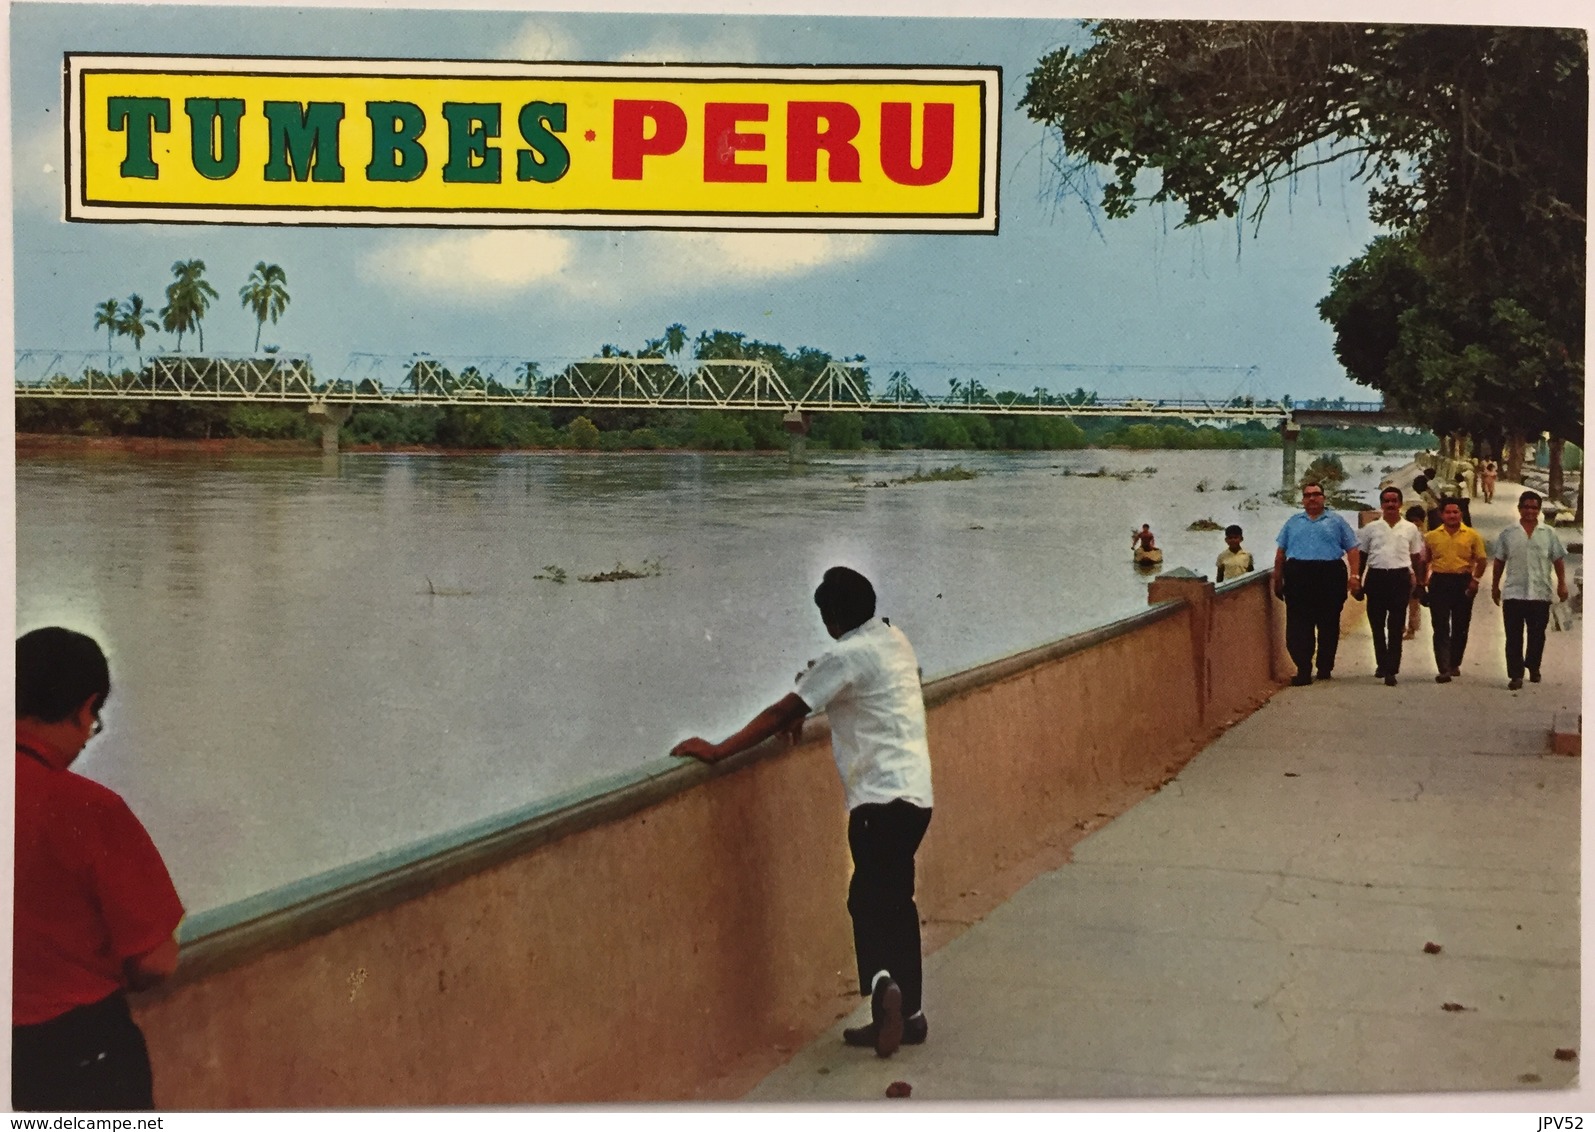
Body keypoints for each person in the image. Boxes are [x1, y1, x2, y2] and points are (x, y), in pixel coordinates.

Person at [671, 567, 933, 1059]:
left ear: (832, 617)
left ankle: (883, 994)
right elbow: (825, 683)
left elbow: (781, 711)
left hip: (876, 802)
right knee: (898, 902)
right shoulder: (892, 639)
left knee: (866, 903)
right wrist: (807, 699)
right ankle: (911, 1016)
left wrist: (718, 749)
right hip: (917, 799)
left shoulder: (844, 655)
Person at [14, 628, 185, 1111]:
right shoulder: (89, 809)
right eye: (94, 720)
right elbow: (156, 959)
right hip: (80, 1056)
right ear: (83, 708)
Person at [1273, 481, 1361, 686]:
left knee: (1328, 624)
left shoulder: (1337, 521)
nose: (1311, 498)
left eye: (1316, 494)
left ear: (1323, 498)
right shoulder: (1293, 522)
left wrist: (1354, 576)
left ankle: (1324, 666)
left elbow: (1353, 549)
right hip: (1298, 576)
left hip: (1329, 575)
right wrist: (1278, 579)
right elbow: (1280, 553)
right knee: (1298, 626)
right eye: (1307, 495)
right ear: (1303, 500)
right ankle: (1303, 668)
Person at [1491, 491, 1569, 689]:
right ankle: (1515, 675)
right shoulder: (1508, 533)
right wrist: (1495, 586)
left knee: (1537, 634)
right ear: (1519, 508)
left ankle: (1533, 666)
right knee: (1513, 636)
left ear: (1539, 510)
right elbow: (1499, 561)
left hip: (1540, 593)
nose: (1530, 511)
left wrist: (1562, 584)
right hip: (1514, 592)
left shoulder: (1549, 534)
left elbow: (1558, 560)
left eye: (1534, 508)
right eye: (1526, 507)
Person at [1356, 487, 1425, 686]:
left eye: (1394, 501)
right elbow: (1362, 556)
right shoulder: (1371, 528)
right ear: (1381, 504)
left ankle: (1392, 669)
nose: (1391, 504)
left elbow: (1416, 557)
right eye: (1386, 501)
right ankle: (1381, 663)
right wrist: (1357, 580)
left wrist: (1420, 583)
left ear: (1400, 504)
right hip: (1376, 578)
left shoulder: (1410, 529)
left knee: (1395, 626)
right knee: (1376, 625)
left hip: (1400, 578)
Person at [1423, 498, 1489, 683]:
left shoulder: (1472, 535)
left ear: (1461, 514)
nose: (1452, 515)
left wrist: (1475, 580)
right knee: (1440, 625)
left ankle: (1454, 663)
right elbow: (1425, 560)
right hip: (1439, 582)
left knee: (1460, 626)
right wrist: (1423, 581)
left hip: (1463, 582)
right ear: (1441, 514)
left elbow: (1482, 560)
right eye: (1448, 512)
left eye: (1455, 512)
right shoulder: (1431, 536)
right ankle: (1443, 667)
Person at [1401, 504, 1428, 640]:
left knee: (1414, 602)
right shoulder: (1404, 535)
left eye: (1417, 521)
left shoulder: (1424, 537)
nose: (1414, 524)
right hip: (1405, 570)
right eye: (1412, 521)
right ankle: (1402, 627)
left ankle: (1412, 628)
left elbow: (1424, 559)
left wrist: (1422, 579)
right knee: (1402, 600)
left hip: (1417, 571)